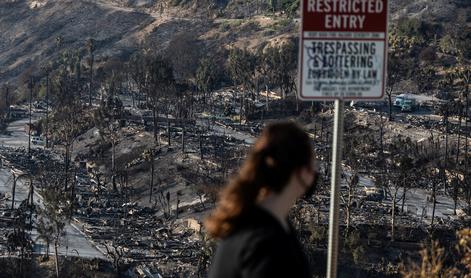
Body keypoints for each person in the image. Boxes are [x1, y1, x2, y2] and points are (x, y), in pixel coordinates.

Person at [206, 121, 318, 278]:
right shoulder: (266, 243)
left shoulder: (255, 223)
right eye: (312, 166)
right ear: (301, 171)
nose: (314, 174)